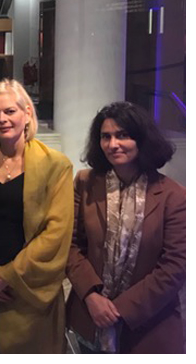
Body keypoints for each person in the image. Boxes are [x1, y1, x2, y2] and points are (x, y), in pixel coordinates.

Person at [66, 101, 185, 353]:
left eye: (123, 135)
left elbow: (175, 265)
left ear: (142, 139)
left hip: (149, 325)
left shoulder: (173, 195)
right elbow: (71, 245)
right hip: (90, 316)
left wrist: (119, 309)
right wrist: (92, 297)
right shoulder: (85, 183)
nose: (113, 144)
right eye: (105, 136)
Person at [0, 78, 73, 353]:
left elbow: (56, 232)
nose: (2, 119)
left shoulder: (55, 165)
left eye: (10, 111)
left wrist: (5, 277)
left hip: (28, 288)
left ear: (27, 113)